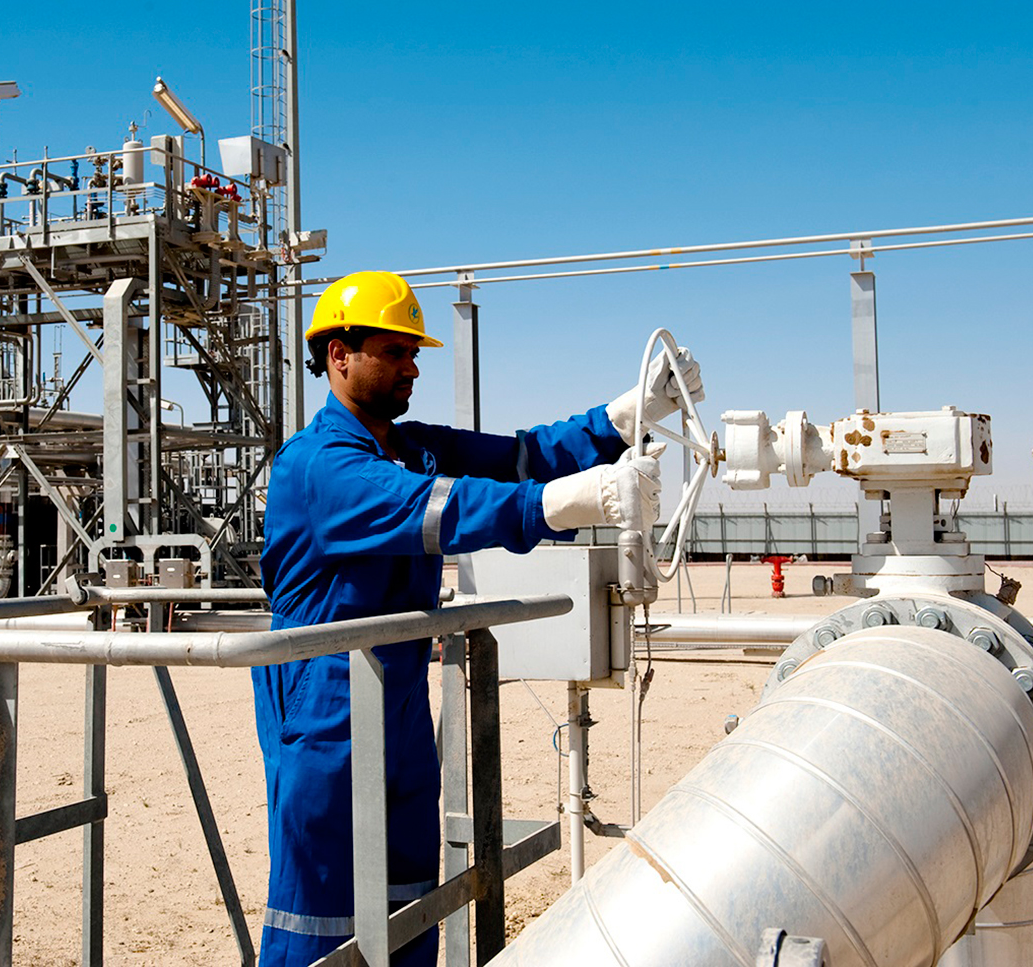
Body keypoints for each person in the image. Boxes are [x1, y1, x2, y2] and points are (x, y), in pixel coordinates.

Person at [251, 270, 702, 966]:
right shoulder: (318, 466)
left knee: (408, 902)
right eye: (395, 351)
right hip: (325, 713)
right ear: (339, 354)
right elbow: (435, 508)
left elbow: (520, 458)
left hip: (398, 702)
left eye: (414, 352)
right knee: (321, 914)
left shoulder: (408, 447)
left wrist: (622, 417)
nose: (412, 366)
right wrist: (567, 504)